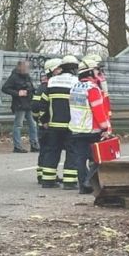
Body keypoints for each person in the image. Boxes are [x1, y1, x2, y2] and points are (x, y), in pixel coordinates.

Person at [69, 59, 112, 194]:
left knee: (80, 159)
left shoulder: (74, 87)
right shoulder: (93, 89)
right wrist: (105, 128)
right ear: (90, 72)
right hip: (92, 129)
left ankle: (83, 187)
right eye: (96, 70)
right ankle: (89, 181)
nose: (98, 72)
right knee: (97, 158)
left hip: (77, 129)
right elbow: (98, 110)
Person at [39, 55, 80, 189]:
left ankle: (48, 180)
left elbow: (43, 104)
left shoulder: (52, 82)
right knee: (72, 152)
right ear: (74, 68)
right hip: (71, 125)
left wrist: (44, 120)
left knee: (52, 151)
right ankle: (69, 182)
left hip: (53, 125)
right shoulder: (77, 82)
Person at [32, 58, 62, 184]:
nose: (61, 71)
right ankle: (46, 176)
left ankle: (43, 175)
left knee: (46, 150)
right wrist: (42, 120)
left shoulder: (46, 86)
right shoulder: (47, 87)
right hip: (46, 125)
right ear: (53, 71)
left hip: (44, 124)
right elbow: (35, 107)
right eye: (59, 69)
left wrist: (38, 119)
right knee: (48, 150)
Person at [2, 60, 39, 153]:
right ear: (19, 67)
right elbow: (5, 88)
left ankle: (34, 144)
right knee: (18, 125)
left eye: (27, 67)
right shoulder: (14, 77)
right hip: (19, 105)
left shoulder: (27, 77)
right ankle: (17, 146)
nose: (27, 68)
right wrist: (17, 93)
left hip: (28, 104)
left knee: (33, 125)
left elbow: (32, 88)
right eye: (25, 66)